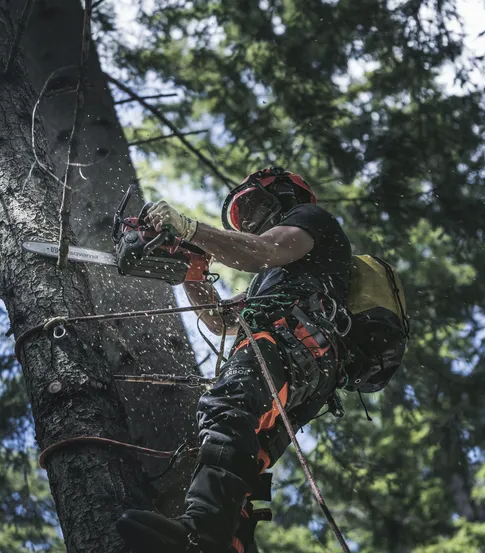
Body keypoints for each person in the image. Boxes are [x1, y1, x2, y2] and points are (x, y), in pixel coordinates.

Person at [116, 167, 353, 553]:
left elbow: (261, 251)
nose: (252, 220)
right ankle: (232, 544)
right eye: (244, 214)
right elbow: (220, 320)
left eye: (257, 206)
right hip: (301, 364)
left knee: (227, 410)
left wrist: (189, 229)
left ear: (286, 197)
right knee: (246, 457)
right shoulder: (276, 278)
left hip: (294, 343)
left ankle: (203, 533)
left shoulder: (309, 222)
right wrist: (193, 273)